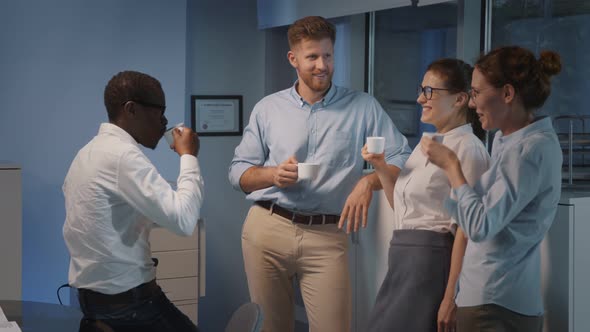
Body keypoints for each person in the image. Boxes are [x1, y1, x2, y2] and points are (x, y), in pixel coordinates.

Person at [228, 16, 411, 332]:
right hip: (267, 230)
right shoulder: (268, 109)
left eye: (327, 55)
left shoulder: (363, 107)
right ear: (293, 59)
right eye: (312, 57)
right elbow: (238, 172)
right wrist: (273, 174)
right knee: (272, 328)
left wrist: (369, 180)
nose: (322, 65)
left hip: (327, 236)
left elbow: (402, 158)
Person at [421, 46, 562, 332]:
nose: (472, 104)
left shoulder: (530, 151)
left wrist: (452, 166)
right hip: (487, 294)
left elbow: (480, 225)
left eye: (476, 93)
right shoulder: (506, 141)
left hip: (497, 301)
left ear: (507, 94)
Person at [63, 70, 204, 332]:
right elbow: (184, 221)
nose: (164, 122)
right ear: (131, 110)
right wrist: (189, 156)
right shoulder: (123, 156)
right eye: (159, 111)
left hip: (95, 306)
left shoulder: (86, 154)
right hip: (132, 308)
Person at [363, 58, 490, 332]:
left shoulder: (469, 149)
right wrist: (381, 167)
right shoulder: (425, 146)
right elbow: (401, 210)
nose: (421, 98)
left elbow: (466, 232)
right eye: (422, 90)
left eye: (430, 92)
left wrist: (450, 296)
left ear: (459, 99)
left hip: (431, 264)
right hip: (402, 257)